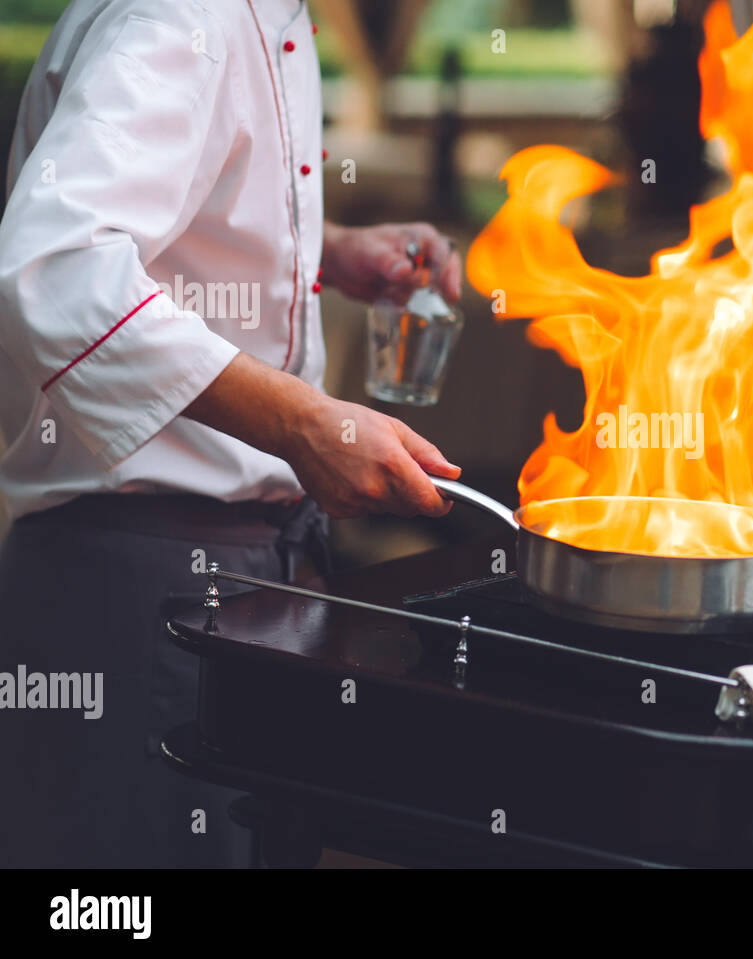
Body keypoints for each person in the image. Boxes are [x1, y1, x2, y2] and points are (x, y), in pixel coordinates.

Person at [0, 0, 462, 867]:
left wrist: (324, 251)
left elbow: (175, 215)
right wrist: (303, 422)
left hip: (235, 582)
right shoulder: (181, 13)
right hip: (137, 589)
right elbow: (55, 269)